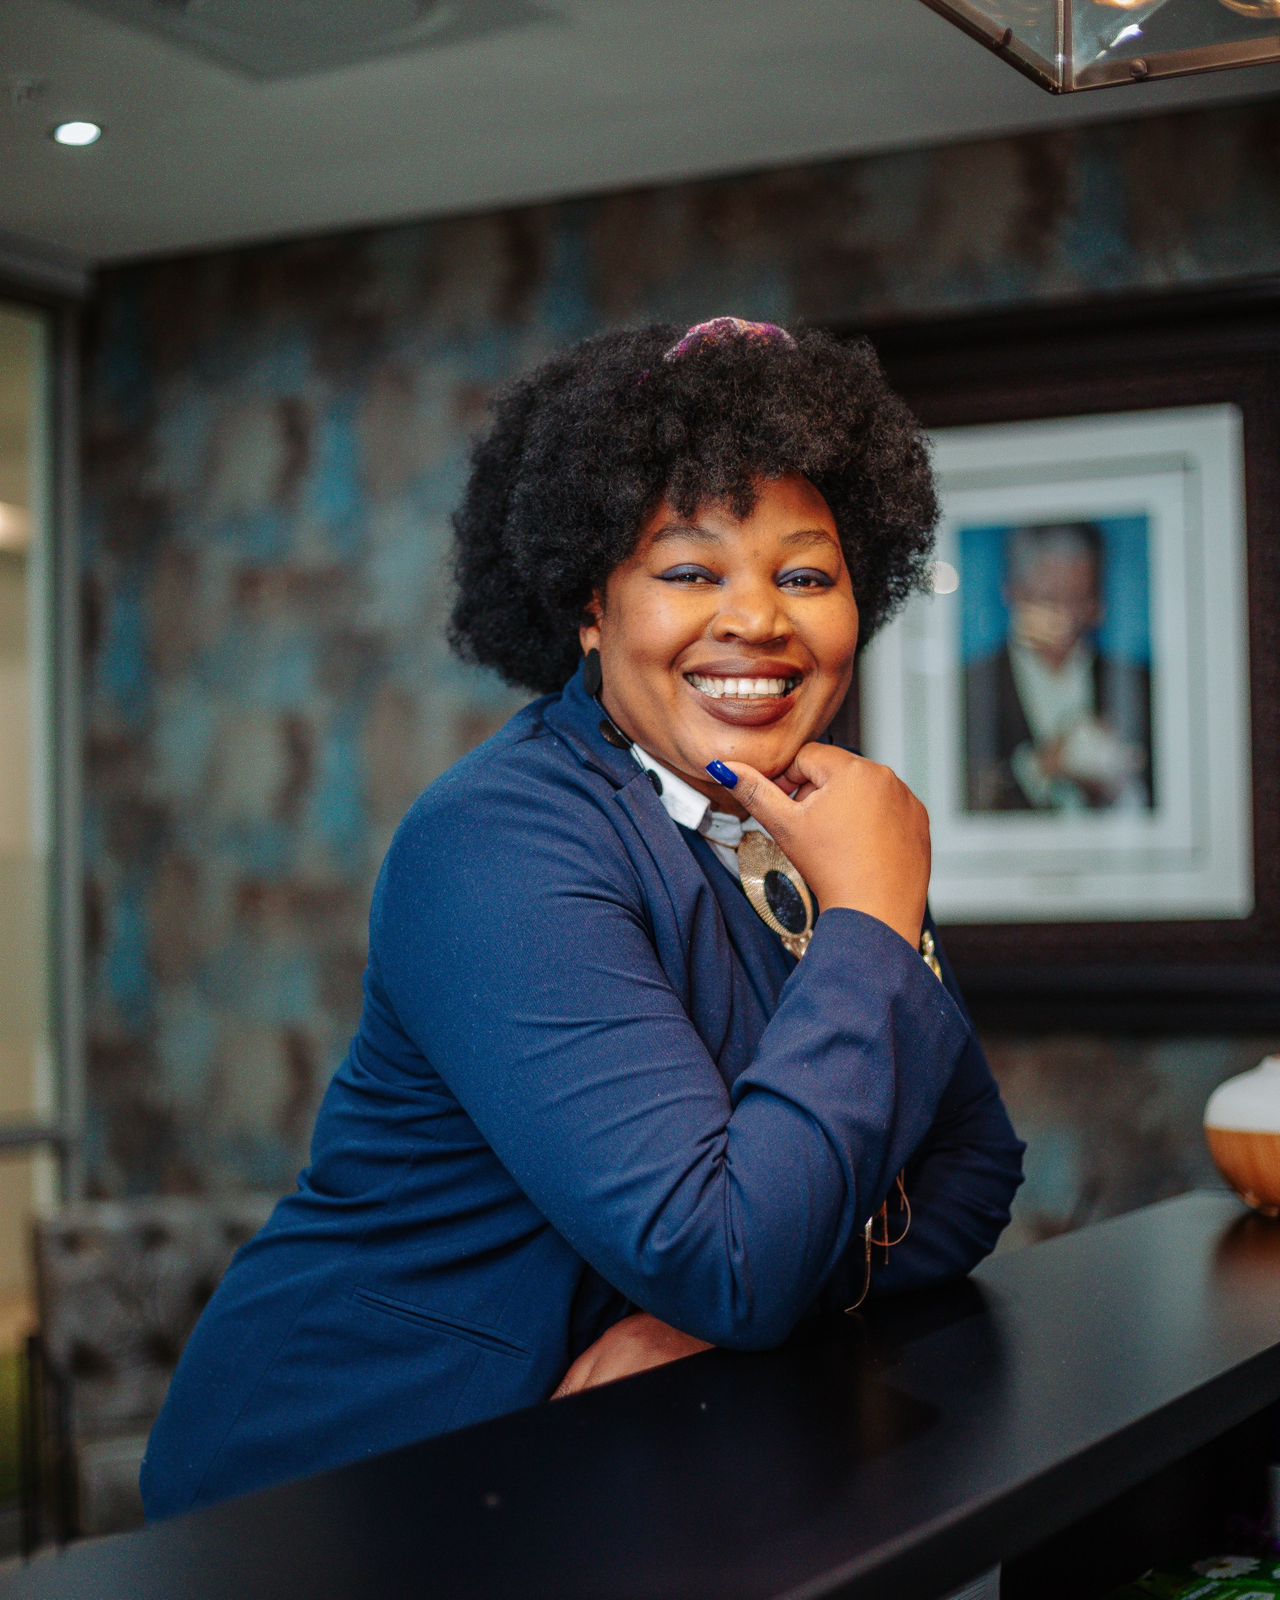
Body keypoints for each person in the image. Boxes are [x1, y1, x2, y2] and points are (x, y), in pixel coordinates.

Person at [141, 317, 1024, 1520]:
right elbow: (730, 1258)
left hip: (592, 1481)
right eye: (689, 571)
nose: (758, 620)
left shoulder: (803, 828)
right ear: (589, 605)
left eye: (805, 575)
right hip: (339, 1498)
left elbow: (971, 1175)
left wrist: (710, 1311)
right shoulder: (497, 841)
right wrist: (871, 913)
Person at [963, 521, 1154, 812]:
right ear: (1013, 593)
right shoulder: (971, 687)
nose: (1066, 617)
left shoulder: (1137, 685)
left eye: (1080, 599)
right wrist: (1039, 768)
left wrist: (1121, 783)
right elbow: (955, 797)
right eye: (1049, 599)